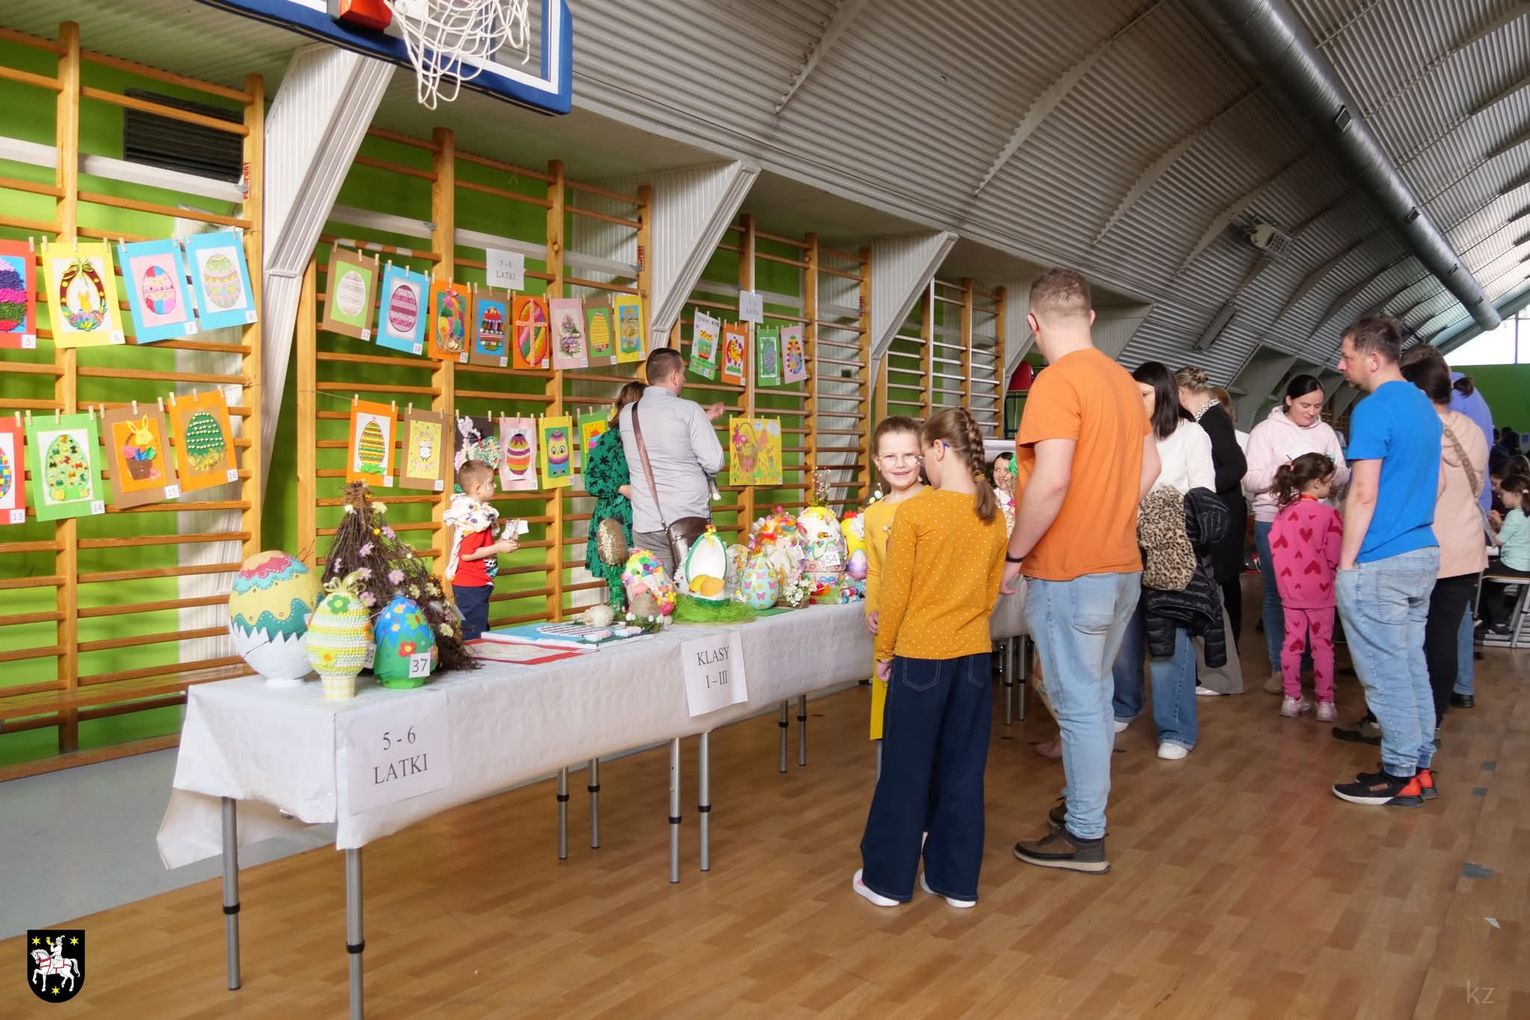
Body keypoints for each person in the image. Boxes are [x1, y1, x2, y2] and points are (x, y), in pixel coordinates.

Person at [1001, 268, 1159, 874]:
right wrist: (1110, 511)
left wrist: (1015, 555)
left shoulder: (1055, 382)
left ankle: (1085, 834)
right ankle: (1079, 806)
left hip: (1071, 571)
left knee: (1079, 706)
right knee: (1093, 696)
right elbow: (1149, 466)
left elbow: (1052, 480)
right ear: (1091, 318)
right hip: (1120, 567)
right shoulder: (1121, 381)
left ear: (1033, 323)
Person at [854, 408, 1009, 910]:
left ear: (940, 449)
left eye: (922, 454)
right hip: (973, 659)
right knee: (963, 771)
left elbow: (895, 595)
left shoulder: (917, 514)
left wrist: (884, 653)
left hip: (920, 656)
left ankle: (886, 881)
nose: (921, 464)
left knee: (906, 770)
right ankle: (955, 881)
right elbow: (990, 594)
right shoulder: (992, 514)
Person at [1330, 316, 1441, 809]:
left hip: (1380, 560)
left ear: (1373, 359)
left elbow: (1363, 492)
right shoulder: (1422, 405)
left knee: (1384, 672)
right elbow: (1438, 483)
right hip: (1422, 552)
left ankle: (1397, 775)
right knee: (1410, 665)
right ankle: (1419, 767)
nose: (1341, 365)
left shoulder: (1374, 409)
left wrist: (1346, 563)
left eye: (1347, 356)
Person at [1112, 362, 1216, 761]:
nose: (1136, 401)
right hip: (1126, 545)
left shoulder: (1191, 435)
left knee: (1168, 641)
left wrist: (1163, 515)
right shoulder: (1125, 435)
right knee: (1124, 635)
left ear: (1164, 395)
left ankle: (1176, 728)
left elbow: (1203, 493)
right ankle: (1125, 703)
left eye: (1143, 394)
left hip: (1171, 552)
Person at [1243, 376, 1349, 694]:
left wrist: (1330, 473)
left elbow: (1343, 474)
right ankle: (1282, 666)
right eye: (1305, 405)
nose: (1312, 412)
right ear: (1288, 400)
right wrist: (1284, 473)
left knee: (1319, 595)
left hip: (1317, 522)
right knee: (1277, 594)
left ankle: (1316, 665)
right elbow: (1250, 479)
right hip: (1274, 520)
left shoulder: (1325, 432)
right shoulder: (1265, 431)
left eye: (1317, 406)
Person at [1400, 348, 1487, 727]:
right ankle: (1432, 720)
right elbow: (1478, 485)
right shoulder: (1472, 430)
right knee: (1443, 639)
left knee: (1407, 643)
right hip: (1465, 548)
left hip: (1420, 546)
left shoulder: (1416, 431)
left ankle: (1404, 723)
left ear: (1417, 392)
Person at [618, 347, 725, 576]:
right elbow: (714, 462)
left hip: (646, 522)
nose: (684, 379)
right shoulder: (689, 410)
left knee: (654, 590)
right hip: (688, 519)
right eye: (683, 373)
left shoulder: (628, 414)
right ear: (674, 376)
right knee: (694, 587)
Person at [863, 415, 926, 752]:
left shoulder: (934, 503)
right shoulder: (873, 514)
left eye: (909, 455)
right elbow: (875, 570)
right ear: (877, 461)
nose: (900, 464)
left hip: (924, 623)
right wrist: (871, 609)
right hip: (889, 626)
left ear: (922, 457)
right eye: (890, 456)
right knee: (891, 717)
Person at [1267, 453, 1342, 721]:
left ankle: (1291, 698)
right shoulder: (1329, 515)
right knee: (1323, 646)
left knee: (1292, 644)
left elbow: (1274, 549)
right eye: (1330, 481)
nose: (1331, 486)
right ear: (1318, 482)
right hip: (1321, 591)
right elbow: (1335, 556)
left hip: (1290, 590)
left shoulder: (1283, 515)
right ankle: (1325, 702)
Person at [1175, 367, 1248, 641]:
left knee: (1223, 580)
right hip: (1223, 509)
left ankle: (1227, 645)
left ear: (1182, 392)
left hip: (1222, 512)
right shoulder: (1210, 416)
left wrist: (1201, 488)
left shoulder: (1212, 419)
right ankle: (1225, 645)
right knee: (1223, 580)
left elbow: (1236, 465)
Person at [1447, 372, 1493, 709]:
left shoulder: (1435, 412)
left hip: (1444, 519)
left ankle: (1433, 687)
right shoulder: (1475, 402)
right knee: (1459, 607)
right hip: (1473, 517)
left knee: (1426, 610)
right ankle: (1462, 684)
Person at [584, 381, 645, 606]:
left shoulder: (651, 438)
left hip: (643, 518)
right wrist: (621, 488)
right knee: (620, 587)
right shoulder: (609, 439)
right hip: (616, 522)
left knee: (646, 582)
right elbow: (591, 481)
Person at [444, 460, 520, 640]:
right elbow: (467, 554)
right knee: (473, 632)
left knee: (478, 627)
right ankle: (472, 657)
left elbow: (481, 546)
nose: (495, 486)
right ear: (478, 488)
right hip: (471, 584)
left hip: (475, 582)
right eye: (491, 482)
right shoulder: (474, 520)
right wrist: (498, 547)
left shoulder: (479, 514)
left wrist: (501, 543)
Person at [1480, 472, 1530, 634]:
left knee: (1483, 579)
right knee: (1491, 583)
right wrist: (1500, 524)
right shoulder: (1526, 514)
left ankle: (1495, 620)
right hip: (1525, 565)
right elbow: (1516, 534)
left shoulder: (1514, 515)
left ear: (1515, 494)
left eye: (1502, 494)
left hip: (1511, 564)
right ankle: (1500, 611)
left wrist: (1488, 530)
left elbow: (1498, 541)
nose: (1500, 498)